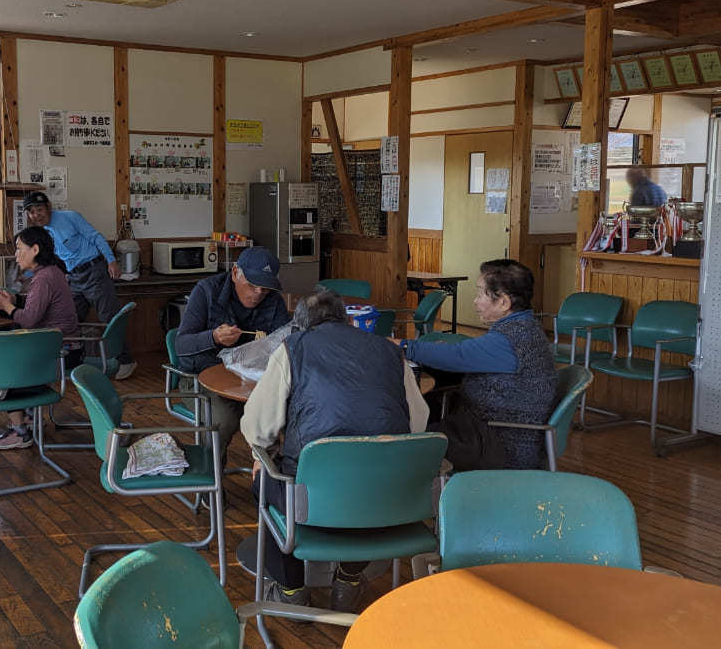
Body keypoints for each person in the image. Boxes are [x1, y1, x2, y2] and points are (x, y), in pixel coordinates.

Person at [241, 287, 428, 612]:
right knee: (369, 480)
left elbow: (257, 429)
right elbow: (419, 423)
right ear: (347, 321)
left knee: (264, 477)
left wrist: (264, 455)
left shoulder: (293, 348)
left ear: (300, 327)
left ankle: (291, 591)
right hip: (388, 499)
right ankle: (348, 581)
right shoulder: (391, 352)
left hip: (313, 503)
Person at [394, 259, 556, 469]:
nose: (475, 301)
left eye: (480, 294)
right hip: (491, 429)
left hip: (498, 443)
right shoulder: (525, 327)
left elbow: (458, 355)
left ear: (503, 302)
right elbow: (468, 354)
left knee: (404, 441)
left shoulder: (512, 338)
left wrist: (403, 346)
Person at [176, 247, 291, 468]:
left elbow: (285, 341)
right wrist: (213, 337)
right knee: (222, 420)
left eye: (265, 287)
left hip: (253, 381)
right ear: (236, 272)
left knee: (286, 413)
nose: (259, 292)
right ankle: (211, 478)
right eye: (253, 284)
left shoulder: (272, 300)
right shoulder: (207, 291)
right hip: (202, 380)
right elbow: (181, 344)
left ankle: (271, 479)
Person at [0, 226, 83, 450]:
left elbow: (29, 320)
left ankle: (20, 431)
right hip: (64, 349)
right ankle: (28, 418)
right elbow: (36, 306)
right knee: (11, 360)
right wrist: (14, 300)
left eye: (20, 249)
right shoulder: (50, 272)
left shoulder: (44, 278)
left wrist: (6, 306)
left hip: (59, 354)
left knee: (3, 372)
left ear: (35, 250)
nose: (16, 255)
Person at [23, 191, 136, 379]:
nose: (36, 215)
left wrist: (111, 261)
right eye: (32, 212)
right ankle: (72, 360)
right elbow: (51, 259)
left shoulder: (70, 217)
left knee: (109, 317)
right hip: (73, 278)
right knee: (69, 319)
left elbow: (96, 237)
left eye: (39, 209)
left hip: (94, 271)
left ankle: (126, 361)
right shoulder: (42, 233)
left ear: (48, 207)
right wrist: (30, 276)